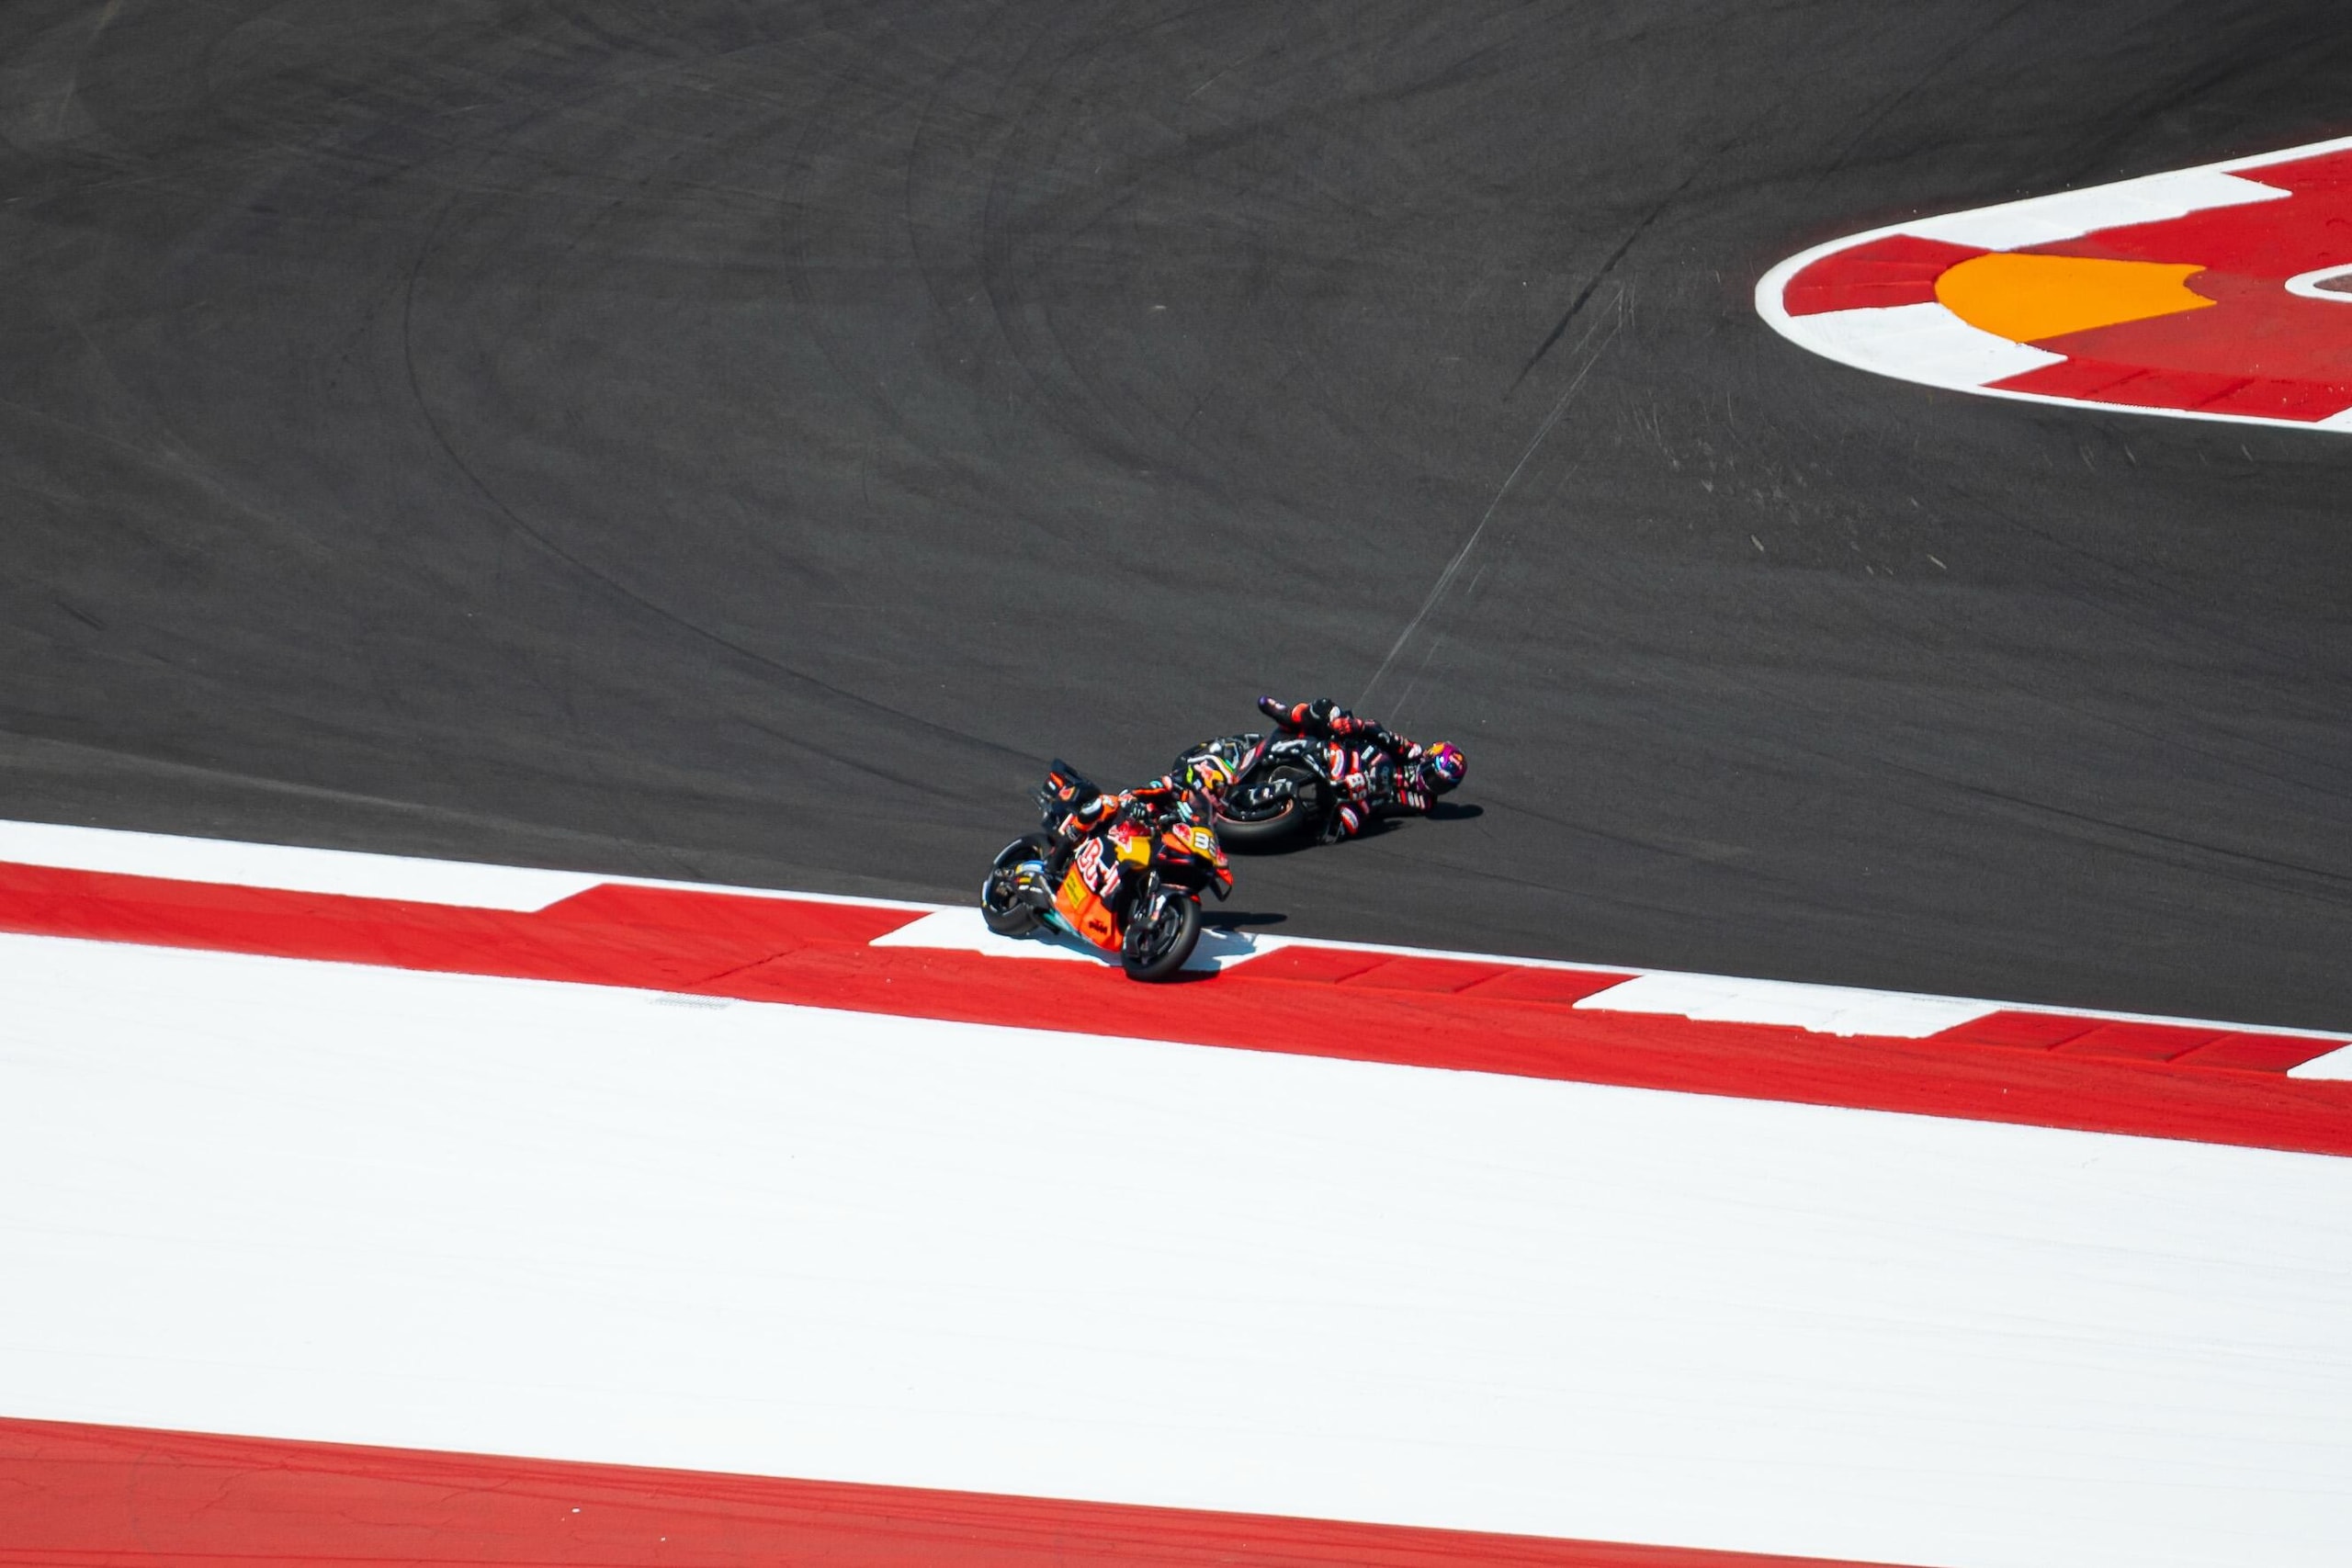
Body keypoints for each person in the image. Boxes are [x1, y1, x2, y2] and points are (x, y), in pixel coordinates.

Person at [1255, 695, 1466, 841]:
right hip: (1354, 750)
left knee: (1342, 827)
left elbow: (1385, 807)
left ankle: (1289, 819)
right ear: (1428, 758)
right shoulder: (1413, 752)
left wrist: (1363, 796)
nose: (1433, 785)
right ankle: (1288, 715)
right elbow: (1383, 734)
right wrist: (1357, 726)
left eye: (1442, 786)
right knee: (1327, 708)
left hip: (1362, 789)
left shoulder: (1424, 803)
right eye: (1433, 776)